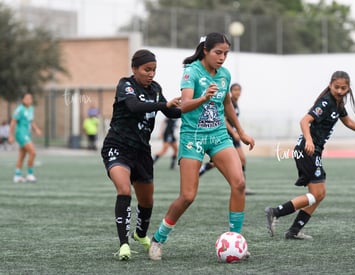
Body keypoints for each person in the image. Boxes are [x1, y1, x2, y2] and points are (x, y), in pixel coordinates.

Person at [149, 32, 255, 261]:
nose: (222, 57)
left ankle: (235, 240)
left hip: (218, 136)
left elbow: (227, 103)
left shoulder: (225, 75)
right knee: (187, 196)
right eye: (218, 52)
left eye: (226, 53)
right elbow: (184, 105)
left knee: (239, 183)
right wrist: (205, 97)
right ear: (205, 50)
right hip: (192, 137)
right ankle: (158, 238)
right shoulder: (191, 72)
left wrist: (240, 132)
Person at [264, 71, 355, 240]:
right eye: (337, 87)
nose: (340, 91)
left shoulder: (338, 104)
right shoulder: (326, 101)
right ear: (330, 85)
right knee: (316, 194)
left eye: (344, 88)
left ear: (348, 88)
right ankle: (275, 212)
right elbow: (304, 121)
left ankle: (294, 231)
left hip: (313, 152)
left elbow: (348, 122)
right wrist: (309, 140)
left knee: (319, 194)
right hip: (307, 151)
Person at [101, 49, 181, 261]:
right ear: (135, 69)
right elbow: (134, 106)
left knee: (147, 201)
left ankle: (140, 235)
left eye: (154, 70)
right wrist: (164, 105)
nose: (151, 74)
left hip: (142, 152)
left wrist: (193, 105)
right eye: (147, 69)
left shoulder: (155, 89)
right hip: (117, 146)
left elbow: (171, 111)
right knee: (124, 190)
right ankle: (124, 244)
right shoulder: (125, 85)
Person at [199, 83, 255, 194]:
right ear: (230, 91)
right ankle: (202, 169)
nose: (237, 92)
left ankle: (241, 186)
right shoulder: (230, 103)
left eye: (239, 90)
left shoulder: (236, 104)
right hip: (227, 135)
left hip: (233, 135)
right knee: (231, 160)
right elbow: (224, 119)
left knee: (240, 160)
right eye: (235, 90)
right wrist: (234, 133)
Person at [8, 93, 42, 183]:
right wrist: (10, 135)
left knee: (22, 155)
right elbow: (13, 122)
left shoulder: (31, 109)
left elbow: (31, 121)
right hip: (21, 134)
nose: (28, 100)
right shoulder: (20, 109)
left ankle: (17, 175)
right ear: (23, 100)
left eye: (30, 98)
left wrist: (36, 129)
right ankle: (30, 174)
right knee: (33, 152)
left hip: (27, 134)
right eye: (26, 98)